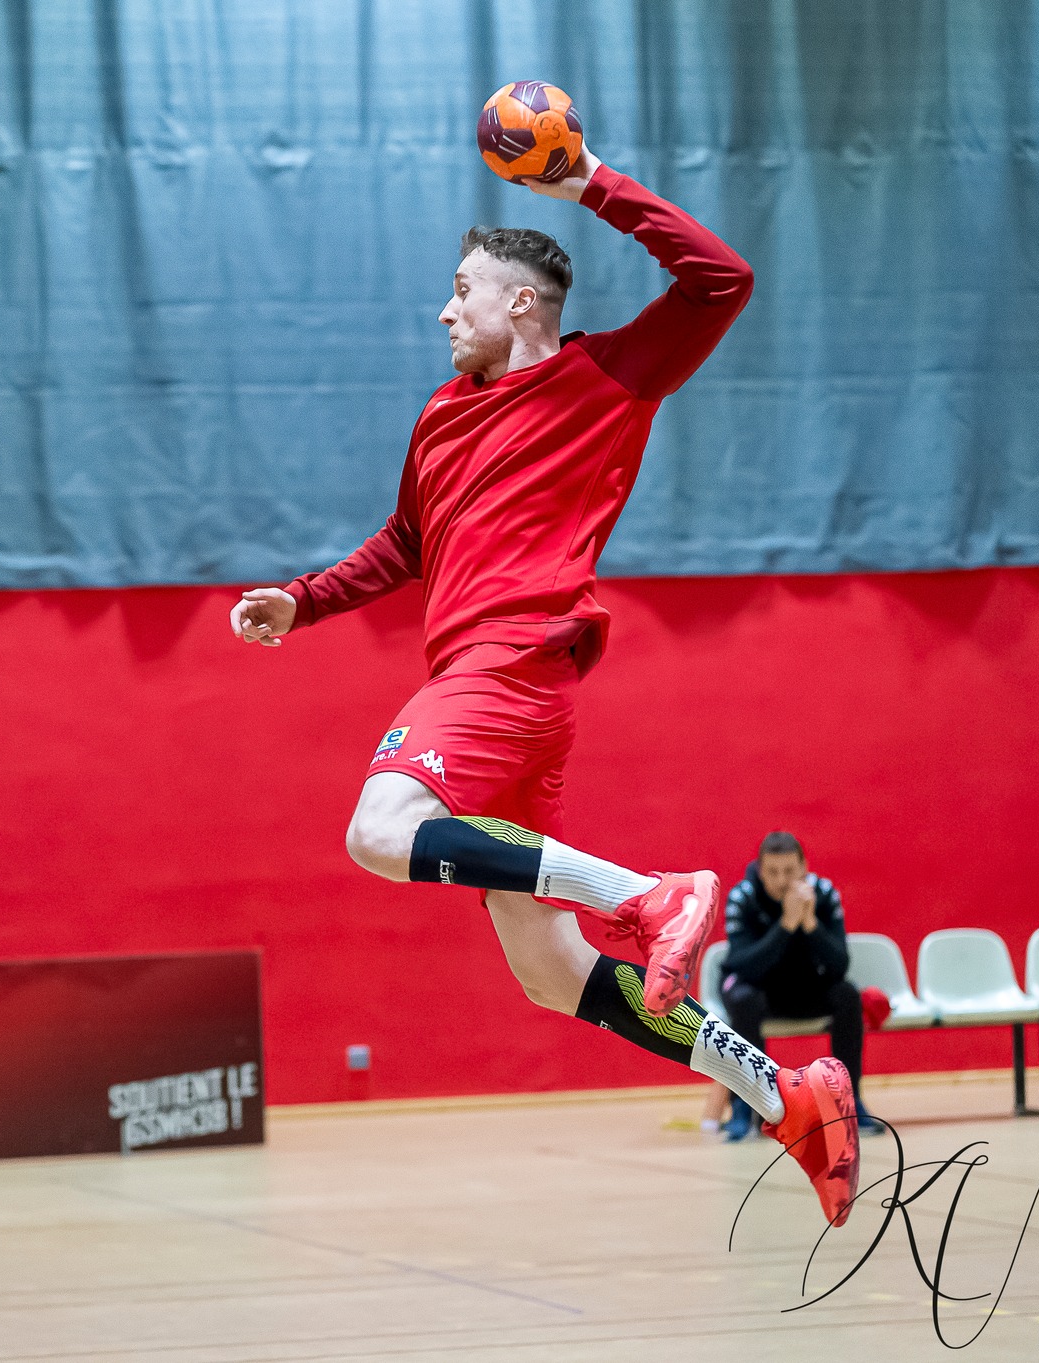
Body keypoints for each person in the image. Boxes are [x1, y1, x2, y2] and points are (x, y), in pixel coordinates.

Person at [226, 147, 859, 1225]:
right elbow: (407, 541)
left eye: (459, 290)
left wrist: (588, 183)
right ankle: (787, 1095)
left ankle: (649, 895)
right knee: (549, 972)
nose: (441, 312)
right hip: (501, 696)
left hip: (505, 667)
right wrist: (305, 598)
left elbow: (722, 279)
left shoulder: (605, 377)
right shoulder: (439, 414)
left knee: (380, 828)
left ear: (521, 302)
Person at [718, 831, 875, 1140]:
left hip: (805, 989)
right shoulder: (744, 897)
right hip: (761, 990)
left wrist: (810, 925)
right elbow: (744, 966)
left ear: (804, 867)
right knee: (743, 999)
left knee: (847, 995)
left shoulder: (824, 894)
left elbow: (839, 965)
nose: (781, 880)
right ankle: (744, 1108)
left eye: (789, 871)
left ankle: (849, 1100)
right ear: (761, 870)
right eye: (772, 872)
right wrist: (786, 925)